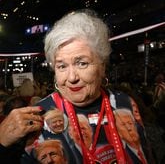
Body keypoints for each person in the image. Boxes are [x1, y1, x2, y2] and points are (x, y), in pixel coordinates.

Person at [0, 9, 155, 164]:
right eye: (62, 66)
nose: (72, 77)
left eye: (82, 63)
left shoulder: (125, 103)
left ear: (102, 66)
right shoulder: (38, 115)